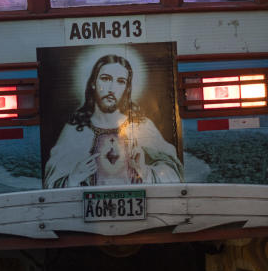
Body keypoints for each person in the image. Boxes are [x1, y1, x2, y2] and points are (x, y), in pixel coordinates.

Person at [43, 54, 183, 188]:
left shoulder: (142, 126)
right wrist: (74, 177)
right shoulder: (75, 129)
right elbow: (50, 182)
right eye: (105, 79)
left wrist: (144, 171)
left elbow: (174, 174)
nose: (112, 89)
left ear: (127, 88)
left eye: (121, 82)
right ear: (93, 83)